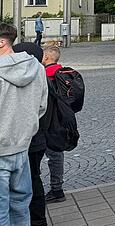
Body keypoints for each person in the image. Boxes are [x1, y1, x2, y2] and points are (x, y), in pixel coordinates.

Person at [0, 23, 48, 226]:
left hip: (2, 150)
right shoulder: (37, 68)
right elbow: (41, 106)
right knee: (20, 206)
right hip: (22, 147)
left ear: (1, 42)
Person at [16, 42, 47, 226]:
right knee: (34, 179)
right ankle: (38, 219)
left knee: (18, 185)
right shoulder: (40, 76)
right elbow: (43, 108)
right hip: (38, 138)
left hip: (19, 140)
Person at [41, 46, 66, 204]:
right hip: (60, 120)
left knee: (45, 155)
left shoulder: (44, 75)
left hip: (46, 121)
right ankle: (57, 188)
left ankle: (55, 190)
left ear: (47, 58)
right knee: (57, 155)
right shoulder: (63, 73)